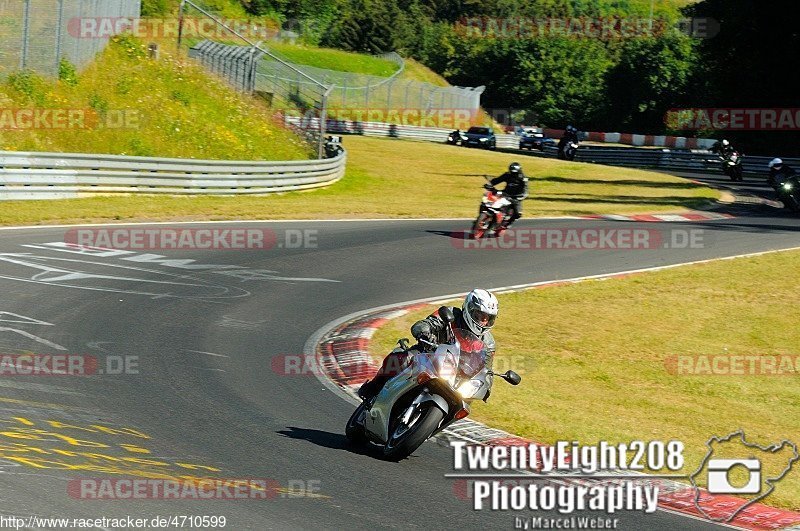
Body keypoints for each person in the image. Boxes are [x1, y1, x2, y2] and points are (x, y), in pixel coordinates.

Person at [358, 289, 499, 401]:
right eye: (479, 316)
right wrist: (424, 333)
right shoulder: (450, 313)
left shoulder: (488, 343)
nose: (482, 322)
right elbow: (427, 323)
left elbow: (487, 369)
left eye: (487, 319)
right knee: (399, 359)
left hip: (456, 377)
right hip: (429, 355)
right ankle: (374, 386)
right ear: (469, 309)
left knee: (465, 401)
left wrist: (487, 386)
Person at [486, 162, 528, 231]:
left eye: (514, 173)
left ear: (519, 171)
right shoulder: (507, 175)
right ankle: (486, 217)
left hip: (516, 197)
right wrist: (490, 184)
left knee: (518, 214)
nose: (513, 174)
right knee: (491, 203)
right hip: (505, 194)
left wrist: (522, 196)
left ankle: (509, 223)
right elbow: (498, 180)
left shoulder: (523, 178)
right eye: (512, 172)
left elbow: (525, 189)